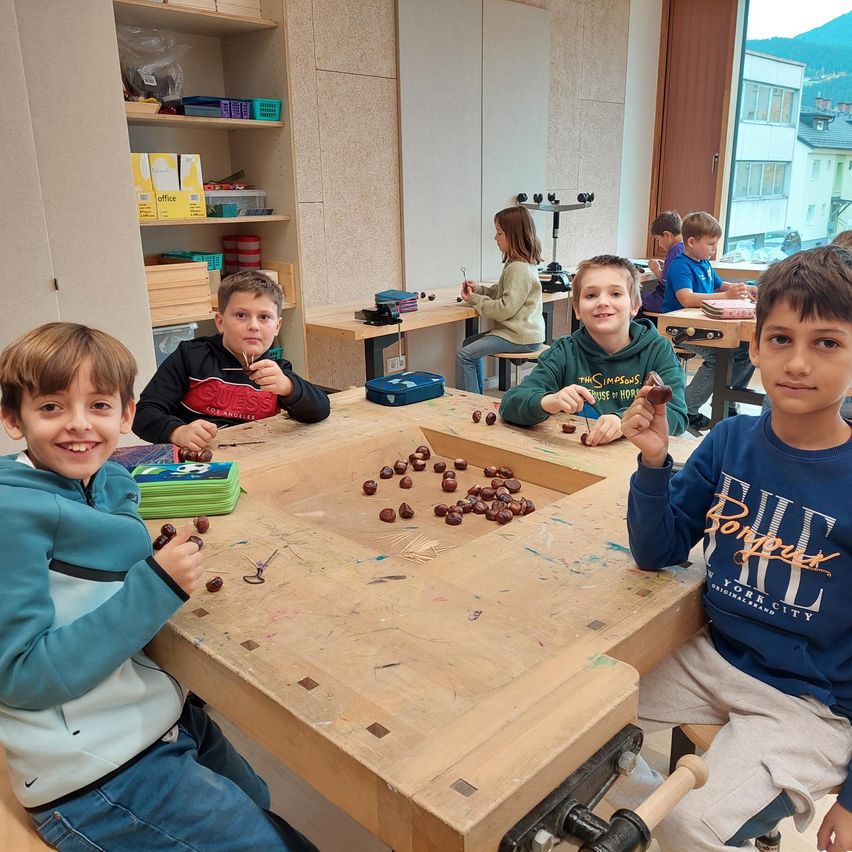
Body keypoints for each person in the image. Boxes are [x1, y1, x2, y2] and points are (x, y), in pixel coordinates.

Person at [0, 322, 316, 851]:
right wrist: (155, 586)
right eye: (52, 407)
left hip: (154, 712)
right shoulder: (11, 517)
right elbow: (22, 677)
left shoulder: (108, 481)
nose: (79, 425)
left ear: (126, 415)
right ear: (13, 418)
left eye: (99, 406)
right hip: (93, 771)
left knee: (255, 796)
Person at [615, 245, 852, 852]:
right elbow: (659, 550)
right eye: (780, 339)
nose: (798, 362)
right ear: (752, 345)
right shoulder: (729, 439)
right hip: (714, 656)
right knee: (576, 718)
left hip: (809, 705)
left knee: (687, 822)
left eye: (827, 342)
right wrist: (653, 463)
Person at [499, 255, 688, 444]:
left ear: (635, 305)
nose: (602, 302)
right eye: (591, 295)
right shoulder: (564, 352)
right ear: (577, 309)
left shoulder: (657, 350)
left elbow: (676, 414)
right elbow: (510, 403)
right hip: (577, 461)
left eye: (615, 294)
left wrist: (623, 421)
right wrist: (549, 401)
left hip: (636, 460)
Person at [134, 270, 329, 450]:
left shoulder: (276, 370)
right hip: (198, 461)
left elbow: (320, 410)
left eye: (264, 317)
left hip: (257, 456)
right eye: (241, 315)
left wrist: (288, 387)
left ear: (277, 326)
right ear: (220, 322)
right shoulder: (190, 356)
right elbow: (143, 413)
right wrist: (177, 432)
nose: (253, 326)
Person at [662, 211, 758, 432]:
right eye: (711, 244)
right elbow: (686, 298)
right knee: (716, 357)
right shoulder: (681, 265)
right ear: (692, 242)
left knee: (746, 350)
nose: (714, 249)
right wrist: (726, 296)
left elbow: (721, 285)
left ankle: (727, 402)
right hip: (680, 328)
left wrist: (744, 288)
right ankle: (686, 409)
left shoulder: (704, 263)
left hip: (705, 325)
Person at [455, 206, 544, 393]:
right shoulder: (519, 263)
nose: (496, 238)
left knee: (465, 355)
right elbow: (503, 292)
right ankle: (475, 396)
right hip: (521, 333)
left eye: (499, 233)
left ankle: (469, 404)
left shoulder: (518, 268)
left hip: (519, 337)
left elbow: (505, 308)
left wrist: (475, 300)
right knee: (468, 345)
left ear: (514, 235)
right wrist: (479, 290)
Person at [641, 211, 684, 315]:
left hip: (666, 301)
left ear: (666, 235)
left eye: (658, 239)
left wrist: (656, 269)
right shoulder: (686, 247)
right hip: (678, 302)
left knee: (634, 296)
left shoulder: (675, 250)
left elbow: (666, 282)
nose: (659, 244)